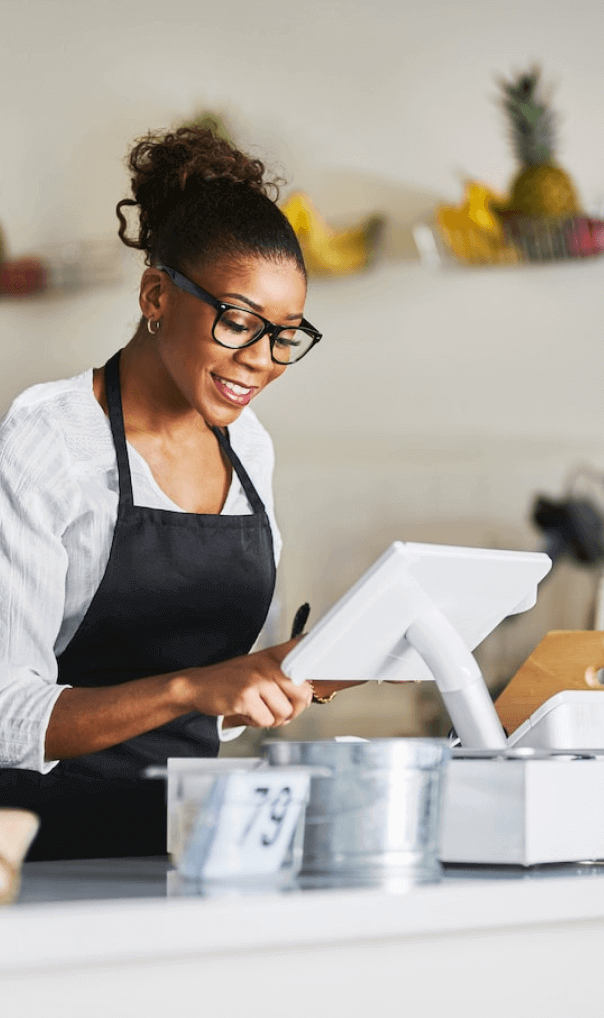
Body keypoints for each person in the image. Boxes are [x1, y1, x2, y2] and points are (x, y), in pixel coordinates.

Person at [0, 127, 347, 861]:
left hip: (182, 854)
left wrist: (279, 676)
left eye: (287, 335)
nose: (261, 361)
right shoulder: (49, 439)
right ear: (157, 293)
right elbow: (6, 716)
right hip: (34, 862)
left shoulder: (249, 448)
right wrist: (193, 688)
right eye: (240, 322)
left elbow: (209, 705)